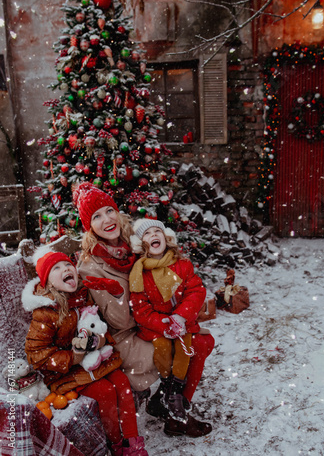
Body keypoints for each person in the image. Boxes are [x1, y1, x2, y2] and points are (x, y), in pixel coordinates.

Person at [74, 182, 214, 437]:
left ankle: (168, 403)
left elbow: (167, 268)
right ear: (89, 227)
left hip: (152, 320)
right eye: (96, 216)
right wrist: (116, 294)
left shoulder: (134, 240)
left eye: (109, 210)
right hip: (126, 335)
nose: (106, 219)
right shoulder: (90, 267)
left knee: (204, 341)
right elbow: (119, 322)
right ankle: (174, 413)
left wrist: (178, 308)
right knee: (192, 347)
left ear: (117, 212)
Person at [22, 248, 148, 456]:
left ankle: (133, 444)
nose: (65, 269)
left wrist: (98, 340)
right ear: (48, 282)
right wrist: (73, 357)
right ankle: (116, 445)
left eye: (67, 265)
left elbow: (98, 325)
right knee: (105, 392)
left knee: (122, 383)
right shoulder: (46, 312)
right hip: (66, 373)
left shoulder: (82, 295)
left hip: (96, 360)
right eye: (56, 268)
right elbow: (36, 354)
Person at [128, 219, 208, 428]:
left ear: (166, 237)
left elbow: (196, 291)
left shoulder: (182, 265)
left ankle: (174, 394)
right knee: (162, 349)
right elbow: (141, 309)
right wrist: (165, 325)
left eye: (158, 231)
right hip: (156, 326)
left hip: (183, 323)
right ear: (140, 243)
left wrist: (180, 317)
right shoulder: (139, 273)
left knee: (185, 350)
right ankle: (167, 385)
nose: (154, 235)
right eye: (147, 234)